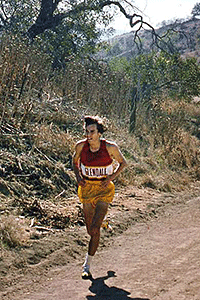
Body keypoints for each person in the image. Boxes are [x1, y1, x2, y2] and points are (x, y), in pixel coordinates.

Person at [73, 116, 127, 279]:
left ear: (99, 132)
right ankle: (102, 222)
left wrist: (110, 178)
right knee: (90, 231)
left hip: (104, 190)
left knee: (94, 230)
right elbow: (74, 162)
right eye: (87, 131)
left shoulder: (110, 148)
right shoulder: (80, 146)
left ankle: (86, 265)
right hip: (87, 189)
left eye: (92, 132)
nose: (88, 135)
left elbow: (123, 163)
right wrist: (78, 177)